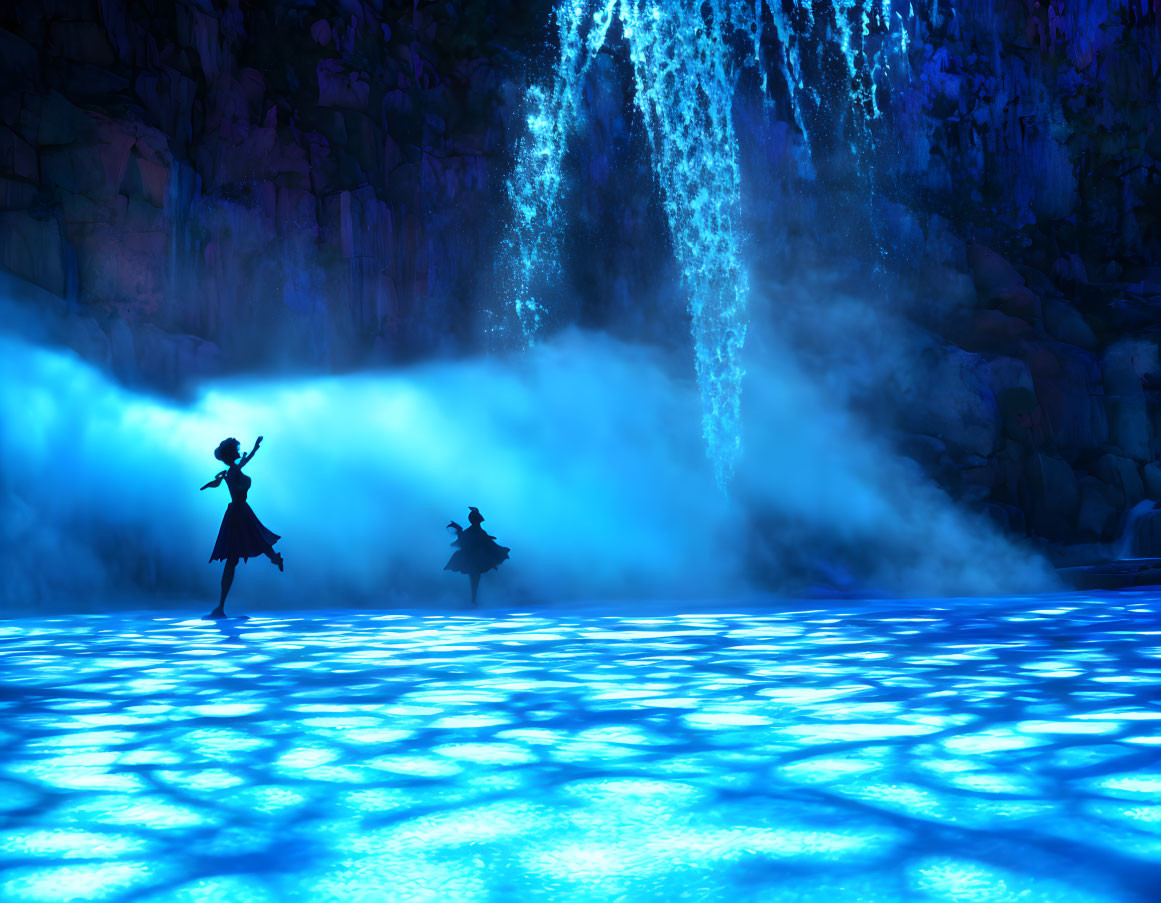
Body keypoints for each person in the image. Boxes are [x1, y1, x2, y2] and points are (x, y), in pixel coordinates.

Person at [201, 436, 283, 618]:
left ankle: (221, 606)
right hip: (238, 513)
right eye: (237, 450)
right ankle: (275, 559)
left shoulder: (233, 470)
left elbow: (243, 463)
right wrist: (230, 481)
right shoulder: (232, 472)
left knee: (254, 541)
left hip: (240, 512)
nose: (239, 452)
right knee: (253, 542)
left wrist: (255, 448)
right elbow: (237, 484)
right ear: (231, 453)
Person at [445, 507, 509, 606]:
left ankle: (474, 600)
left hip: (478, 558)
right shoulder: (474, 532)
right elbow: (467, 541)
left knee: (475, 579)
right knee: (475, 578)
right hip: (474, 558)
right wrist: (459, 530)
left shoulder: (478, 532)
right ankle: (474, 600)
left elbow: (488, 544)